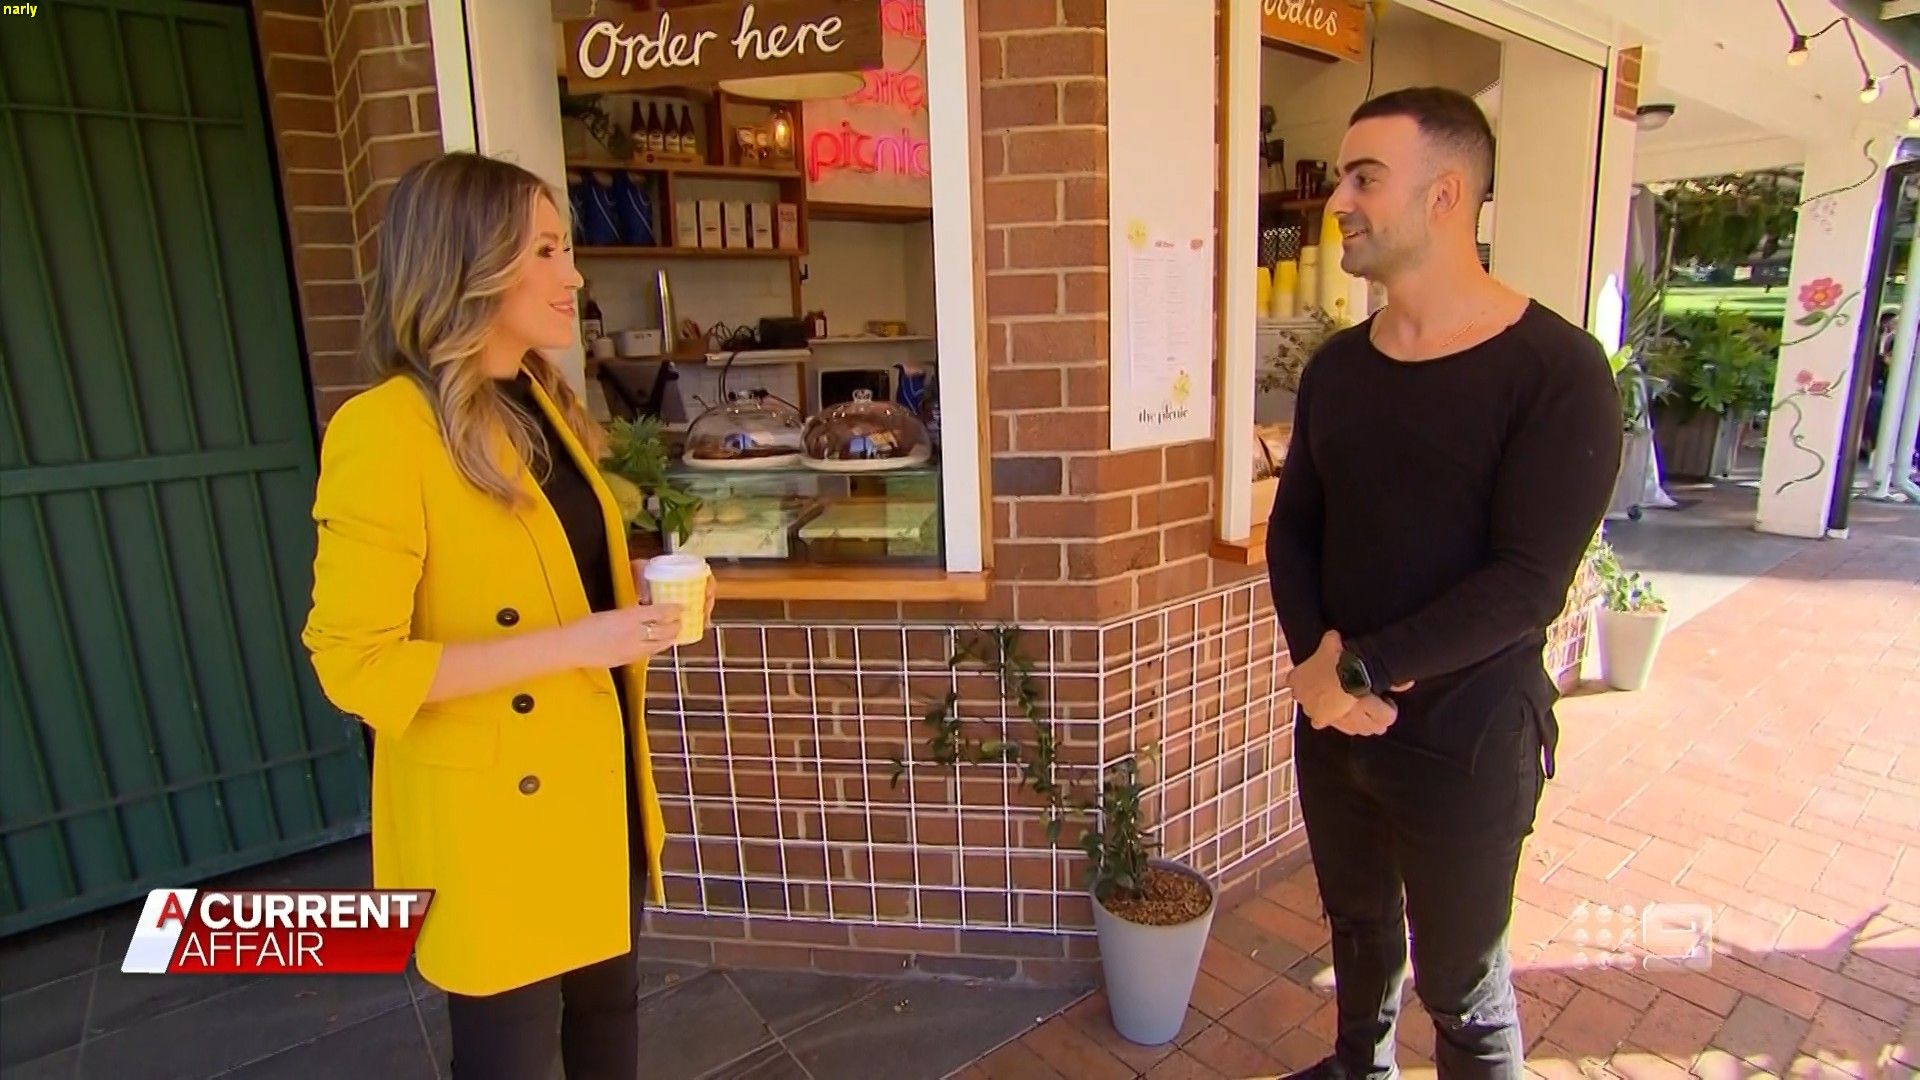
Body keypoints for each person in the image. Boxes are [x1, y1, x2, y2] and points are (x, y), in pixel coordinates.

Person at [301, 152, 709, 1080]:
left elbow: (542, 572)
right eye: (546, 251)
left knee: (608, 1018)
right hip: (492, 813)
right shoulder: (385, 429)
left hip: (590, 783)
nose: (574, 275)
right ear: (470, 264)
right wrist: (579, 642)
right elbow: (354, 664)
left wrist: (637, 590)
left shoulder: (542, 401)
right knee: (511, 1057)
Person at [1265, 88, 1622, 1079]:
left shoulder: (1556, 372)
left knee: (1462, 988)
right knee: (1357, 926)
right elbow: (1295, 529)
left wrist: (1361, 668)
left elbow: (1526, 583)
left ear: (1446, 195)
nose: (1338, 200)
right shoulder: (1339, 370)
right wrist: (1319, 664)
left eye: (1364, 177)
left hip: (1469, 741)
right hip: (1337, 729)